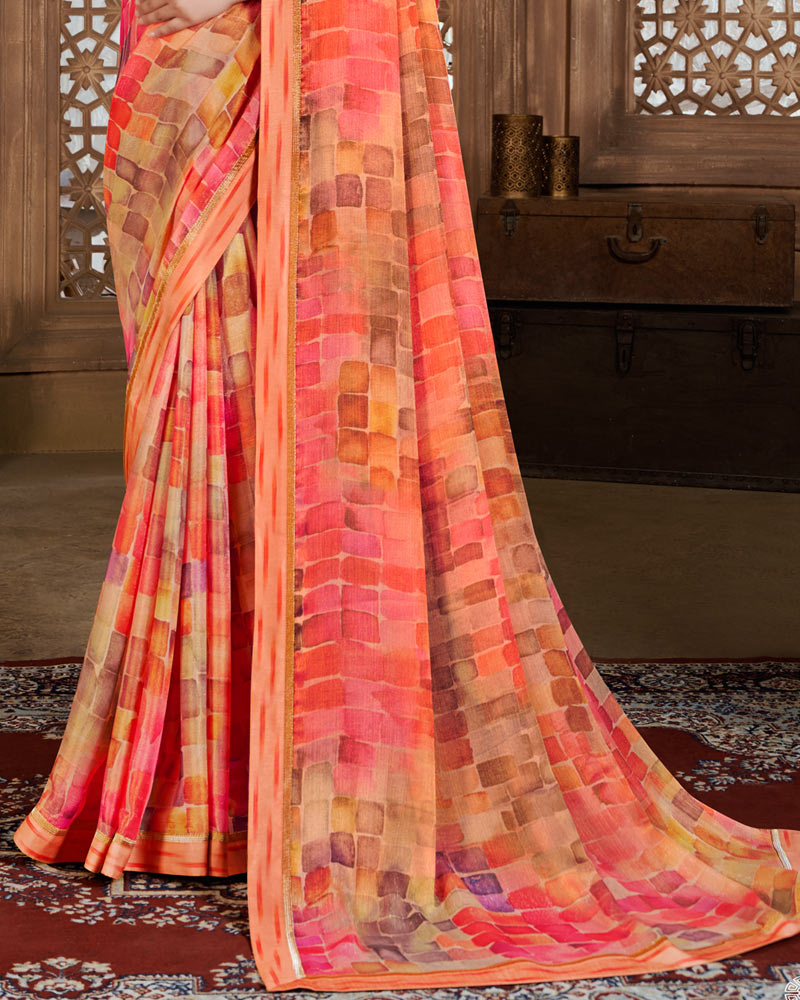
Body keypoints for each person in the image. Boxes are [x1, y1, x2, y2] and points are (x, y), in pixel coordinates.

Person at [14, 0, 800, 990]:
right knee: (208, 404)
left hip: (280, 76)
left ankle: (279, 792)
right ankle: (198, 794)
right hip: (190, 81)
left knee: (274, 412)